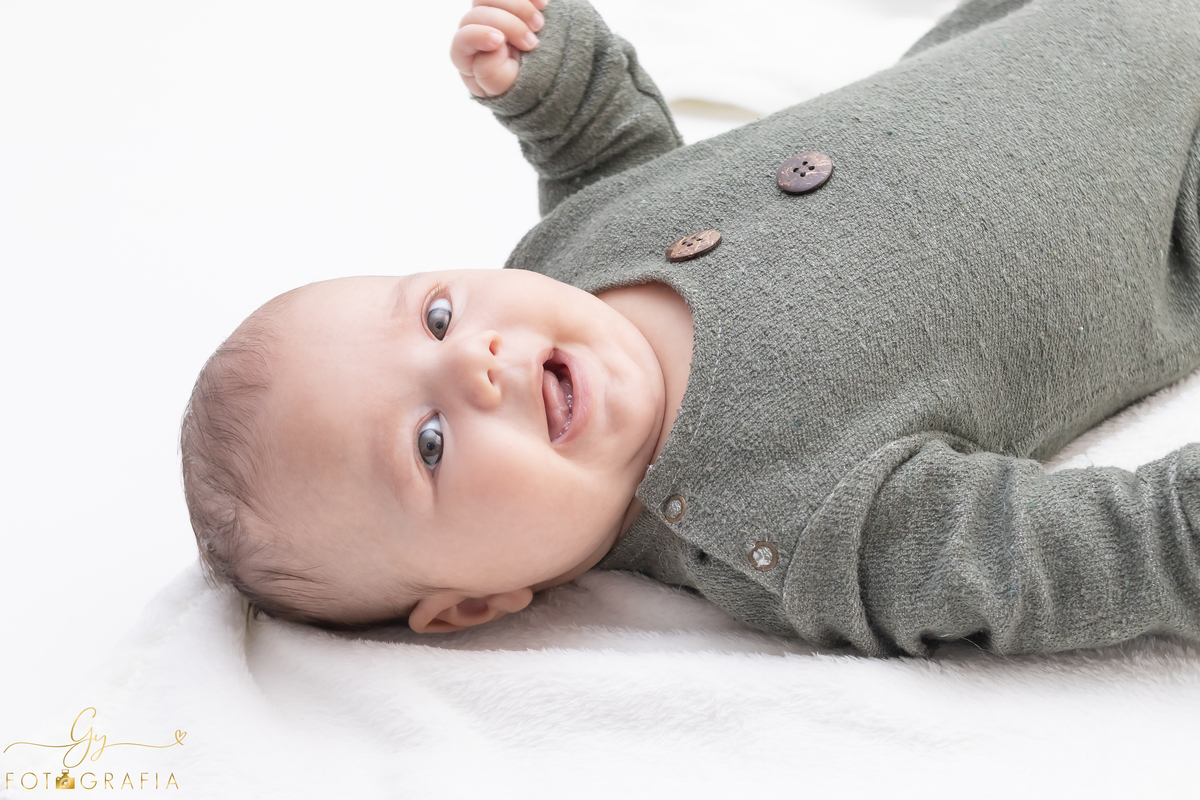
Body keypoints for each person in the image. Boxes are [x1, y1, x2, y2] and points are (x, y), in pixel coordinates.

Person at [180, 0, 1200, 657]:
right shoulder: (795, 527)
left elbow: (618, 159)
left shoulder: (561, 263)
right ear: (475, 601)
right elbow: (1073, 554)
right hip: (1172, 194)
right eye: (430, 442)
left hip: (1025, 33)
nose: (477, 362)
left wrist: (555, 80)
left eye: (438, 314)